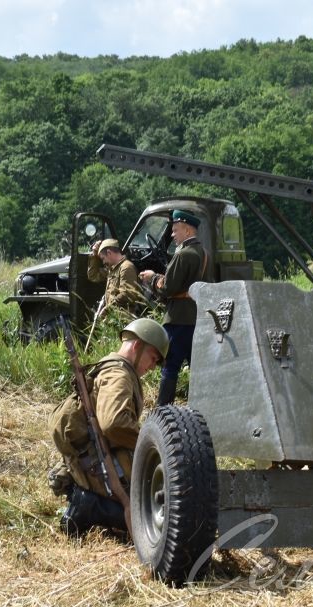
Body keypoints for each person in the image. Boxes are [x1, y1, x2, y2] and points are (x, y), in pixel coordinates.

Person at [48, 318, 169, 536]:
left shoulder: (111, 368)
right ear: (137, 346)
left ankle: (87, 500)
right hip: (100, 465)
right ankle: (87, 505)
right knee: (150, 516)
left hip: (96, 461)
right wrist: (155, 443)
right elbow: (114, 424)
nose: (152, 367)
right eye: (153, 358)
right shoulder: (119, 375)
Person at [138, 209, 206, 406]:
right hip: (196, 317)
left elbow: (168, 288)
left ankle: (163, 410)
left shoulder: (183, 254)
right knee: (197, 367)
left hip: (177, 319)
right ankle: (199, 407)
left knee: (170, 366)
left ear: (187, 230)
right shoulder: (203, 254)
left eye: (175, 230)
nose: (172, 235)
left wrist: (152, 278)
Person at [87, 238, 145, 321]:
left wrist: (107, 309)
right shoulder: (112, 269)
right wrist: (94, 255)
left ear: (109, 253)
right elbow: (93, 275)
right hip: (114, 318)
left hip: (124, 319)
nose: (103, 262)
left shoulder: (126, 267)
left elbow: (127, 294)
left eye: (103, 258)